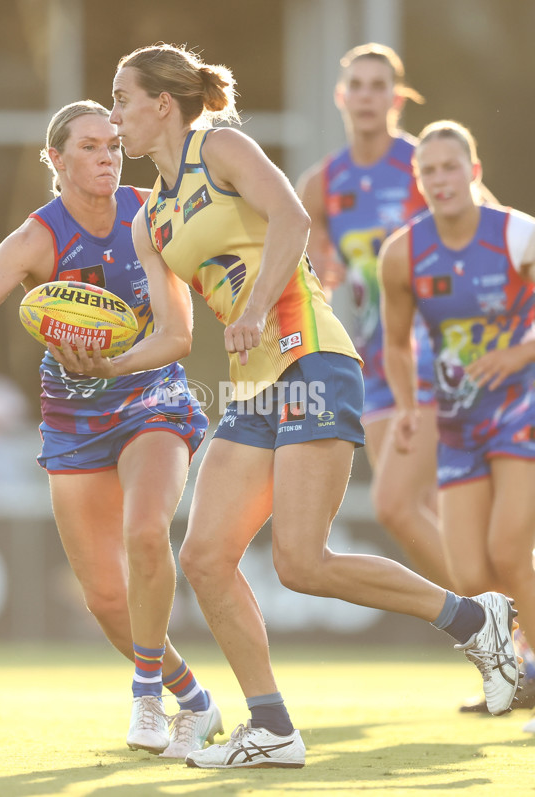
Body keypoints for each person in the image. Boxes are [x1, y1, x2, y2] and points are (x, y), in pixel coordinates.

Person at [58, 44, 520, 769]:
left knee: (303, 562)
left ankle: (473, 618)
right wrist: (105, 361)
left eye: (121, 97)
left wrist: (251, 301)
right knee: (205, 557)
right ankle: (272, 726)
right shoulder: (152, 221)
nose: (113, 114)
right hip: (251, 385)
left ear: (162, 103)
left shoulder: (224, 146)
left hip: (312, 358)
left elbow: (294, 220)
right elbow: (176, 334)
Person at [0, 100, 223, 759]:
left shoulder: (150, 212)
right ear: (56, 159)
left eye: (113, 146)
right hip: (73, 416)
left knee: (147, 531)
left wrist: (117, 362)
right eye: (90, 146)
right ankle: (196, 699)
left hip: (151, 395)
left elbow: (178, 335)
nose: (106, 157)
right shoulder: (38, 235)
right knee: (101, 595)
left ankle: (145, 697)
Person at [379, 119, 535, 734]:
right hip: (457, 417)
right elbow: (394, 344)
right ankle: (520, 670)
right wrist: (408, 409)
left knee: (507, 547)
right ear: (418, 184)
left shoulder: (517, 234)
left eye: (451, 168)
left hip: (523, 404)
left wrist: (519, 354)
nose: (440, 180)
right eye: (428, 172)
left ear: (473, 172)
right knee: (471, 572)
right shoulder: (404, 252)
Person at [296, 43, 449, 587]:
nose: (366, 96)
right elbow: (310, 273)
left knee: (397, 507)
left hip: (436, 352)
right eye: (355, 85)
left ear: (397, 98)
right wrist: (322, 271)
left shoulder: (424, 166)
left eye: (377, 85)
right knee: (423, 511)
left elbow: (485, 239)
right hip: (376, 361)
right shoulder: (321, 184)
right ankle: (506, 633)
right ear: (341, 97)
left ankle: (502, 620)